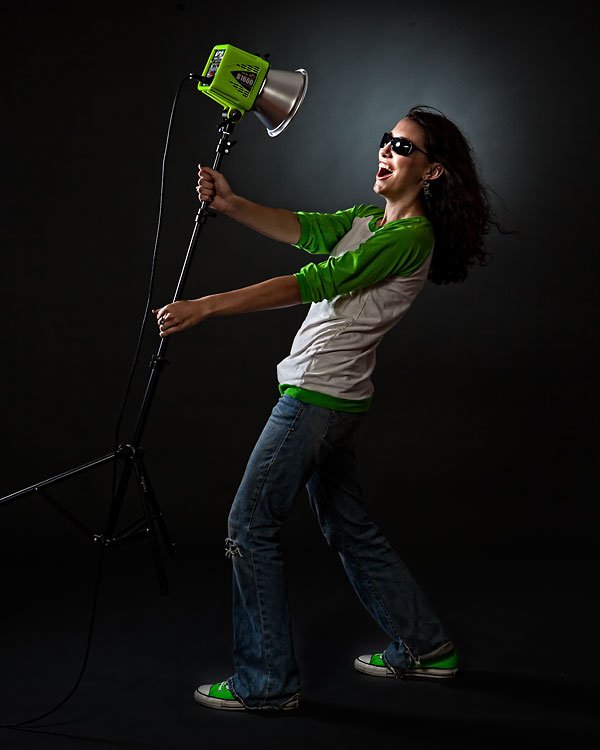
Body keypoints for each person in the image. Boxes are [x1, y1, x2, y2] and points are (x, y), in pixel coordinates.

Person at [153, 105, 502, 712]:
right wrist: (232, 205)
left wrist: (206, 306)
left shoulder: (409, 237)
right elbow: (307, 230)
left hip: (316, 399)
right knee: (348, 527)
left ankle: (266, 683)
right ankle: (427, 647)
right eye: (386, 139)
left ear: (433, 171)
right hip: (338, 399)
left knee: (248, 526)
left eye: (403, 146)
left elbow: (310, 282)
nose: (386, 150)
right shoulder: (370, 219)